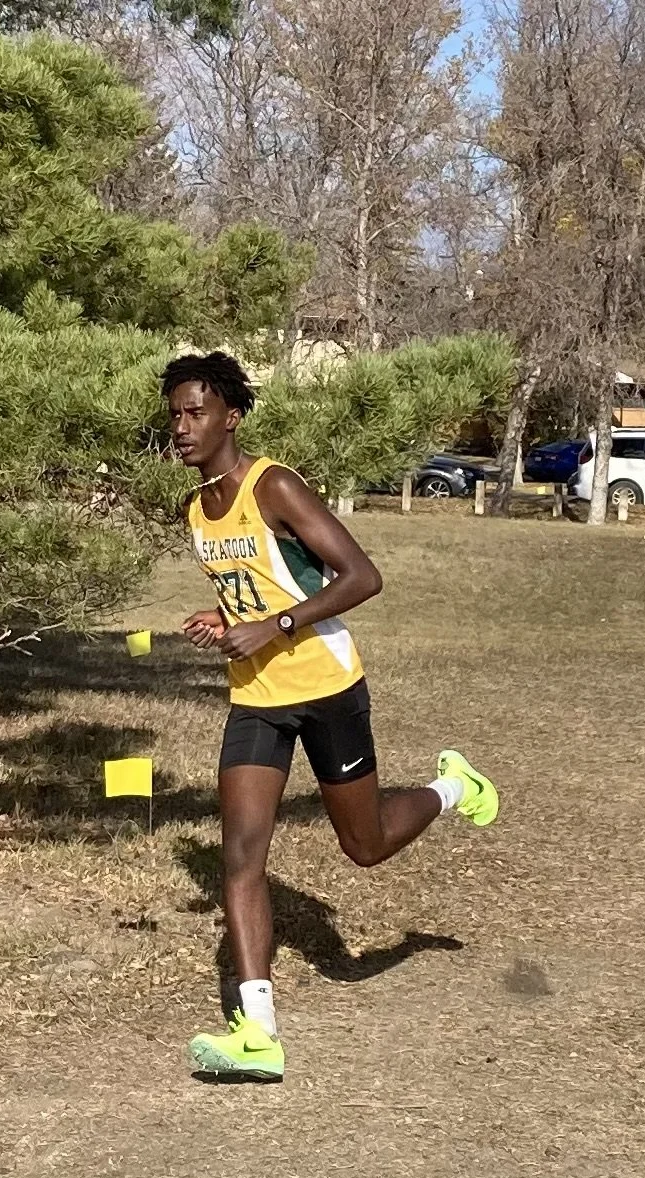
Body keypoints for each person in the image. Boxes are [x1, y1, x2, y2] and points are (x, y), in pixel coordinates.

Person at [163, 351, 499, 1081]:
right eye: (174, 415)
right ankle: (258, 1031)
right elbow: (258, 588)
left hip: (324, 687)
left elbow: (360, 576)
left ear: (231, 416)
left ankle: (451, 789)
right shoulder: (195, 509)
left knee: (366, 844)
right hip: (255, 697)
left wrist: (277, 627)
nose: (182, 427)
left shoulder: (271, 484)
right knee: (241, 856)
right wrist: (225, 622)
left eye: (195, 411)